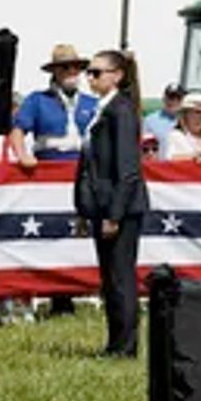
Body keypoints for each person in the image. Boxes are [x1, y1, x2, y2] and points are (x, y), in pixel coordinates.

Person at [74, 49, 146, 358]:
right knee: (109, 278)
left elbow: (128, 170)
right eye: (88, 72)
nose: (90, 77)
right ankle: (115, 341)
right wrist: (85, 207)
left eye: (96, 72)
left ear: (116, 75)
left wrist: (115, 214)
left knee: (120, 278)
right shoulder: (101, 109)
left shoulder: (121, 110)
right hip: (101, 205)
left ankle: (126, 346)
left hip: (122, 209)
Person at [6, 45, 100, 167]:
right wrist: (22, 155)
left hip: (85, 169)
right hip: (49, 170)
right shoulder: (37, 100)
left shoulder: (92, 103)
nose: (72, 71)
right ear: (55, 71)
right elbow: (17, 130)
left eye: (76, 67)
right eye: (65, 67)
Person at [141, 83, 185, 156]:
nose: (174, 101)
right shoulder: (150, 121)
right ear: (164, 99)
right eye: (171, 98)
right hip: (159, 166)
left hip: (180, 165)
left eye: (178, 99)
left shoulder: (188, 122)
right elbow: (142, 147)